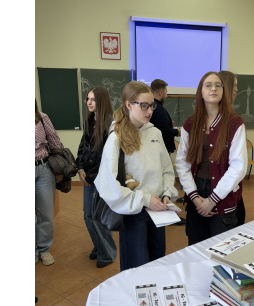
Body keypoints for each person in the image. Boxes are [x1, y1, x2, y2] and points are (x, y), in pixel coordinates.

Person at [94, 81, 178, 271]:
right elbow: (107, 183)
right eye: (144, 106)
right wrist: (145, 200)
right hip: (134, 212)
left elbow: (166, 170)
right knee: (136, 265)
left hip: (159, 209)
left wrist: (167, 192)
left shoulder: (155, 132)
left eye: (152, 105)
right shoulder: (117, 136)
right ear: (128, 105)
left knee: (157, 260)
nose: (150, 111)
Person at [175, 71, 247, 245]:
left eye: (218, 85)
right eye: (208, 85)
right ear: (201, 91)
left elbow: (238, 166)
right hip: (196, 193)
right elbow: (182, 163)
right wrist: (195, 198)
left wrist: (213, 199)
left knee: (221, 249)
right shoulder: (191, 124)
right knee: (196, 246)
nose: (213, 88)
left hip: (222, 194)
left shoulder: (234, 123)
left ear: (223, 91)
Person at [76, 87, 117, 268]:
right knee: (88, 215)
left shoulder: (111, 124)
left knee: (97, 217)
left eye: (93, 99)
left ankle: (107, 254)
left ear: (101, 100)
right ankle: (99, 245)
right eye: (87, 99)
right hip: (89, 177)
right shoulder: (89, 121)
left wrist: (91, 176)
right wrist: (80, 168)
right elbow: (82, 148)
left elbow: (107, 157)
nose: (89, 102)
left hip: (101, 179)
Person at [35, 99, 63, 265]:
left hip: (44, 168)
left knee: (46, 214)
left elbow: (54, 142)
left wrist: (58, 170)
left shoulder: (42, 117)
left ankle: (44, 249)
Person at [218, 70, 246, 227]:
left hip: (229, 188)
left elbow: (238, 165)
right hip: (222, 190)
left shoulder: (234, 121)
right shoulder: (230, 122)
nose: (236, 90)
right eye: (234, 85)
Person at [149, 79, 180, 154]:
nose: (166, 96)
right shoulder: (159, 109)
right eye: (166, 93)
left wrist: (169, 124)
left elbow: (158, 125)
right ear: (161, 93)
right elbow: (165, 132)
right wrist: (177, 132)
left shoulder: (150, 106)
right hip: (162, 151)